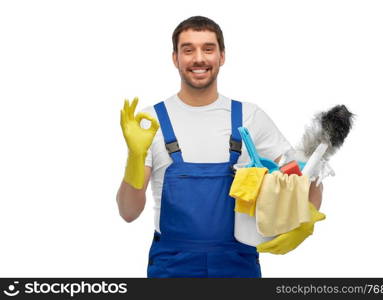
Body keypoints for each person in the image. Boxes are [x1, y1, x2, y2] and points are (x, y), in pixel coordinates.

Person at [116, 16, 323, 278]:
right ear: (175, 58)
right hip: (171, 267)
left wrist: (306, 219)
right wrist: (135, 156)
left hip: (238, 265)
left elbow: (302, 174)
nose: (198, 58)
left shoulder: (249, 117)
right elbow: (128, 212)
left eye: (208, 49)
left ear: (222, 56)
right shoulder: (150, 122)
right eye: (188, 49)